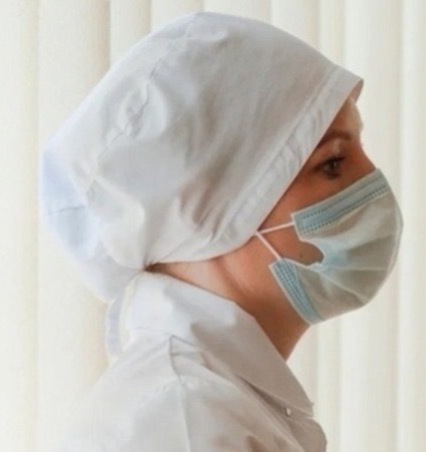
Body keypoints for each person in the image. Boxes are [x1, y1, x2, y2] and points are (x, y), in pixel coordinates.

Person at [39, 11, 403, 452]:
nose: (372, 180)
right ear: (208, 210)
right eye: (332, 164)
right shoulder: (183, 424)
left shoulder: (213, 404)